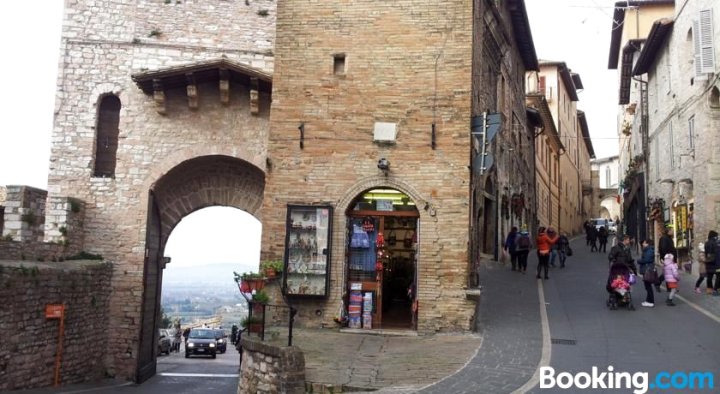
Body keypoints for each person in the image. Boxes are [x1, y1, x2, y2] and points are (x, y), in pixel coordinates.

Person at [637, 239, 655, 307]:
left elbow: (647, 259)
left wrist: (639, 261)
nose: (642, 244)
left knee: (648, 286)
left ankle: (650, 301)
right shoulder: (648, 250)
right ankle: (648, 300)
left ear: (647, 244)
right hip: (647, 269)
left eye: (644, 243)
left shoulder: (649, 250)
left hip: (647, 269)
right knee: (647, 286)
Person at [704, 230, 719, 295]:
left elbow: (706, 252)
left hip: (708, 262)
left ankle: (709, 289)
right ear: (714, 236)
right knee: (719, 276)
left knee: (709, 276)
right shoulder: (716, 243)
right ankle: (716, 290)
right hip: (716, 263)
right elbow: (717, 253)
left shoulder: (706, 243)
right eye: (717, 236)